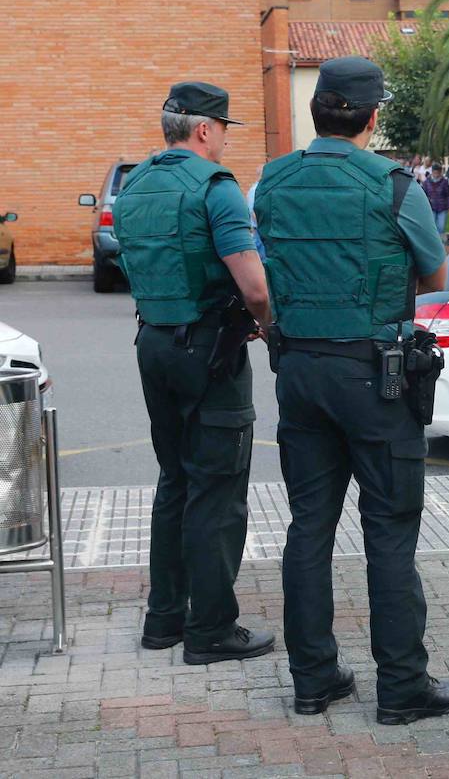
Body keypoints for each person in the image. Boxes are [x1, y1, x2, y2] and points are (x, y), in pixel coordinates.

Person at [255, 57, 449, 724]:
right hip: (375, 376)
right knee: (390, 531)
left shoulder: (272, 181)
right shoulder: (393, 184)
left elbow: (267, 263)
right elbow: (435, 275)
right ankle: (401, 686)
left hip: (299, 371)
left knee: (308, 527)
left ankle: (312, 679)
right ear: (373, 118)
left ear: (315, 110)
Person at [113, 82, 275, 664]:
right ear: (205, 129)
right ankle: (210, 630)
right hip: (209, 351)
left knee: (174, 480)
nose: (225, 139)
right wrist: (269, 327)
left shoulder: (135, 185)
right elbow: (254, 287)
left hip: (153, 341)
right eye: (223, 128)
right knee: (217, 491)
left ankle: (164, 620)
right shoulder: (215, 186)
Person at [421, 162, 449, 233]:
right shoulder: (426, 182)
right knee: (433, 227)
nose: (436, 175)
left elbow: (448, 195)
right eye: (435, 173)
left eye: (438, 173)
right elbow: (423, 195)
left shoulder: (444, 182)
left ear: (440, 172)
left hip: (442, 207)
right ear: (432, 172)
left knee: (441, 227)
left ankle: (440, 239)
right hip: (431, 207)